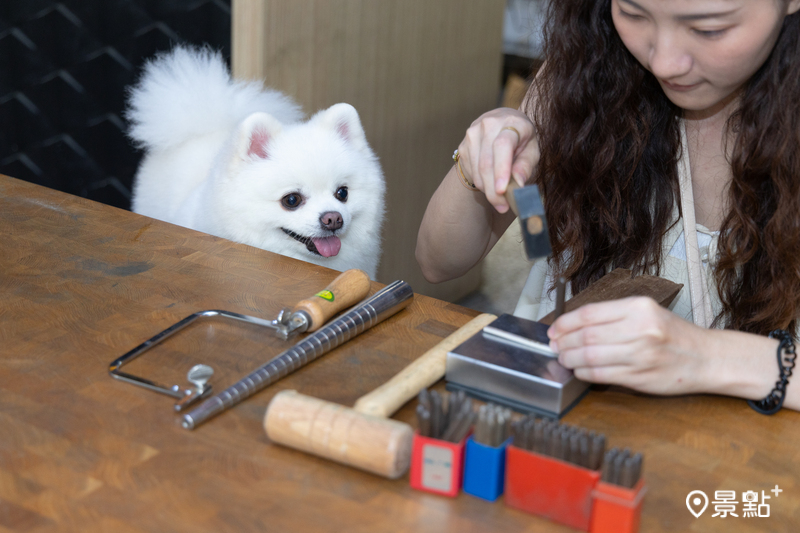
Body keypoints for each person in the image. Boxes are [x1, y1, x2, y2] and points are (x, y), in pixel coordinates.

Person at [416, 0, 800, 412]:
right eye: (634, 14)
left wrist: (710, 356)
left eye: (709, 29)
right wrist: (477, 166)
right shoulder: (591, 68)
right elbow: (438, 263)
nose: (665, 63)